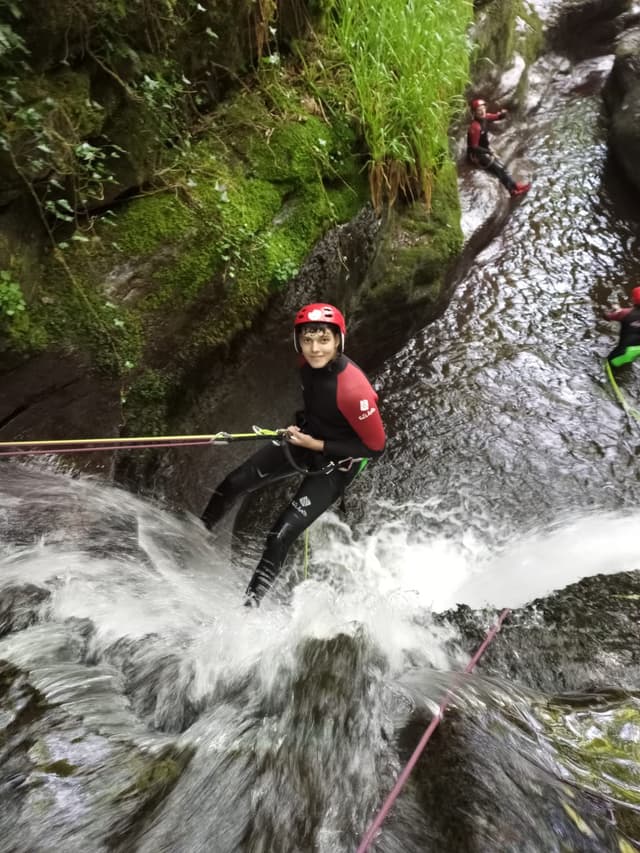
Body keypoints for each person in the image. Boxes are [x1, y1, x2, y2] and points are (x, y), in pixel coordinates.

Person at [201, 303, 386, 606]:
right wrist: (302, 430)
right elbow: (319, 407)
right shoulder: (305, 365)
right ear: (298, 340)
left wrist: (315, 444)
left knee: (279, 535)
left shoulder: (355, 391)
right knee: (234, 482)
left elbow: (376, 447)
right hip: (305, 439)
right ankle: (200, 533)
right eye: (307, 340)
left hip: (336, 463)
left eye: (323, 340)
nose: (315, 349)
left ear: (338, 340)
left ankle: (249, 609)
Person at [467, 98, 531, 197]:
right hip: (477, 154)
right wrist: (489, 152)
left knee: (502, 167)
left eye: (483, 108)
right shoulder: (475, 127)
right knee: (499, 169)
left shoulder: (486, 117)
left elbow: (497, 117)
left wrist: (503, 114)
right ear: (474, 113)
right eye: (479, 110)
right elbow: (474, 147)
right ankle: (512, 191)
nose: (482, 111)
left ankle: (514, 186)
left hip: (485, 150)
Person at [604, 286, 640, 368]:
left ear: (633, 299)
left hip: (626, 350)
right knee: (628, 361)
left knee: (609, 365)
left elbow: (607, 317)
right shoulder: (625, 313)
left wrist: (616, 310)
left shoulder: (625, 313)